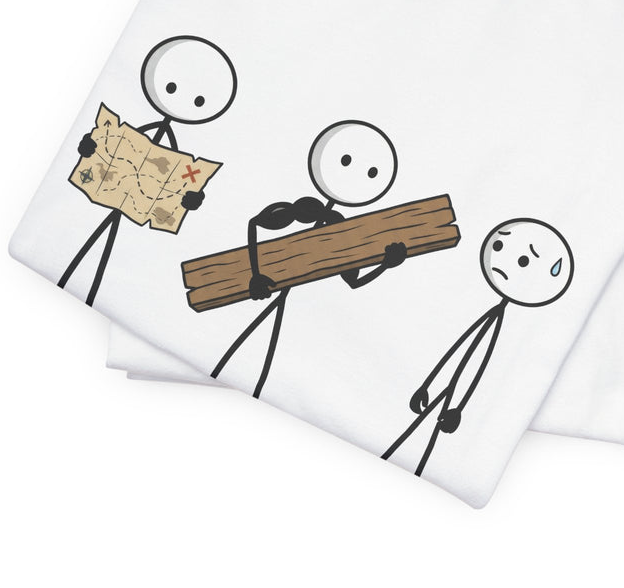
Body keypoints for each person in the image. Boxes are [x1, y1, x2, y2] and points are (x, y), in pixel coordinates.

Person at [210, 120, 408, 397]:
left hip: (309, 334)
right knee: (238, 357)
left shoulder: (341, 230)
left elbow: (353, 281)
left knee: (257, 364)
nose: (352, 176)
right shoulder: (307, 209)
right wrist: (255, 275)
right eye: (345, 161)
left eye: (372, 173)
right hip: (266, 294)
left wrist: (385, 264)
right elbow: (256, 222)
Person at [383, 218, 573, 476]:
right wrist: (427, 387)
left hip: (453, 396)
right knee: (418, 436)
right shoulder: (493, 317)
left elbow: (477, 365)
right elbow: (458, 352)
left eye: (523, 261)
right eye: (499, 246)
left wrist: (458, 408)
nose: (503, 259)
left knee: (427, 440)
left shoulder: (499, 322)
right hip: (447, 392)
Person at [59, 35, 237, 306]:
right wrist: (88, 147)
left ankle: (85, 286)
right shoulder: (132, 134)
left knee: (109, 250)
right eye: (171, 87)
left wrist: (192, 199)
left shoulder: (178, 157)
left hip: (139, 207)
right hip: (111, 191)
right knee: (93, 240)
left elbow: (186, 187)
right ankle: (74, 279)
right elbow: (104, 142)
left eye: (199, 101)